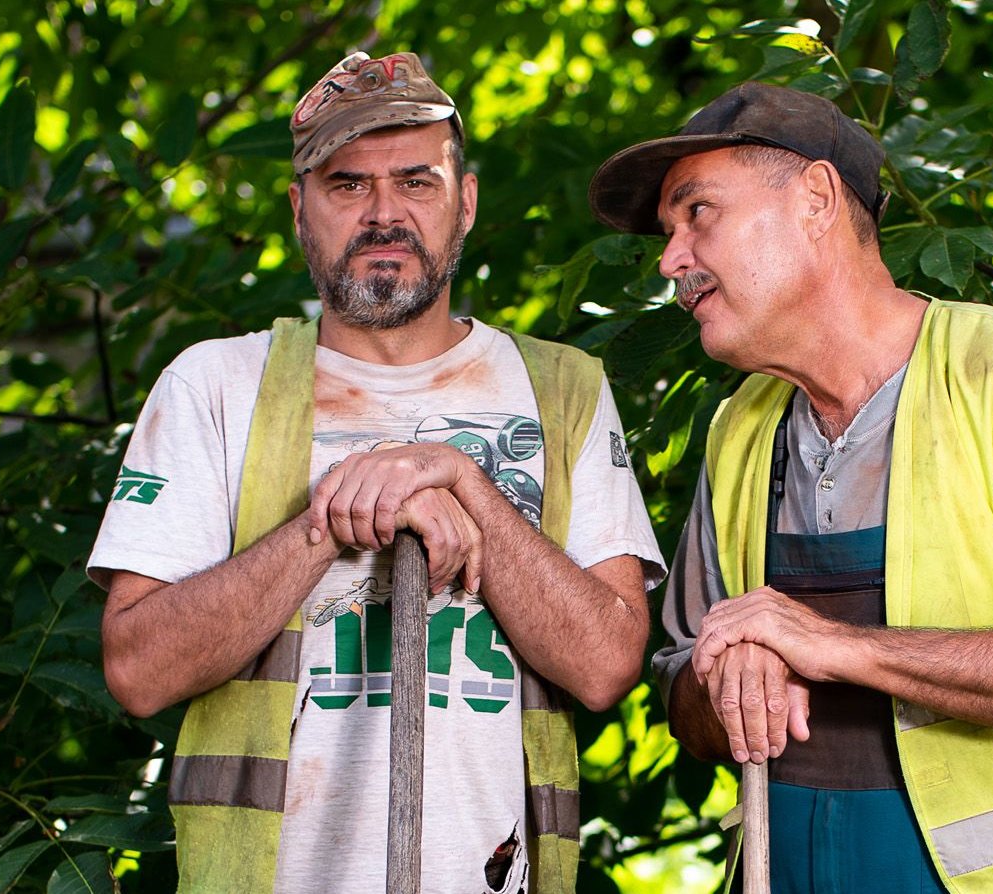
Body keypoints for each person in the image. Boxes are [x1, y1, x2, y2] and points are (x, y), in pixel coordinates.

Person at [90, 51, 665, 894]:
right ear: (299, 209)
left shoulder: (564, 390)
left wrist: (463, 483)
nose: (384, 213)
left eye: (417, 182)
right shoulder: (214, 385)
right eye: (347, 185)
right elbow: (137, 672)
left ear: (464, 203)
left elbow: (607, 665)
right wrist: (328, 523)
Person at [587, 82, 993, 894]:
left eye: (698, 215)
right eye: (668, 231)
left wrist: (838, 648)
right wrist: (721, 677)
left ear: (817, 199)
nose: (670, 259)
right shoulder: (741, 428)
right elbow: (683, 688)